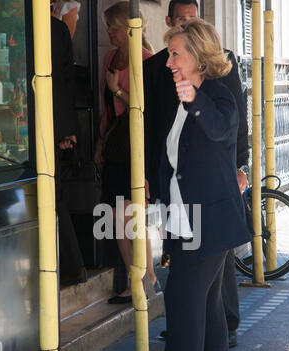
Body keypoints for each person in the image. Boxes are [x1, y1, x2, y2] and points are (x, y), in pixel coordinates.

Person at [135, 18, 251, 351]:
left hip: (210, 226)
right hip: (190, 224)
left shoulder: (218, 95)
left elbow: (222, 131)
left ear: (199, 56)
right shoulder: (180, 97)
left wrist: (195, 98)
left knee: (183, 314)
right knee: (207, 315)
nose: (169, 61)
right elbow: (176, 165)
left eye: (176, 53)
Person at [96, 1, 160, 305]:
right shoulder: (110, 58)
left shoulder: (146, 60)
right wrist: (100, 144)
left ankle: (146, 279)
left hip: (137, 148)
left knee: (132, 217)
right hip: (115, 148)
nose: (109, 32)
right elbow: (106, 110)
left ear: (129, 29)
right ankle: (136, 280)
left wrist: (118, 89)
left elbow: (146, 110)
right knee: (114, 217)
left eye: (114, 27)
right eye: (108, 26)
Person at [51, 15, 87, 285]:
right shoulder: (57, 28)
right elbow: (66, 81)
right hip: (50, 125)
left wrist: (66, 129)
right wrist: (66, 128)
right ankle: (71, 267)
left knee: (54, 195)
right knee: (54, 194)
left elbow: (64, 81)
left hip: (43, 126)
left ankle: (71, 266)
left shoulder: (55, 29)